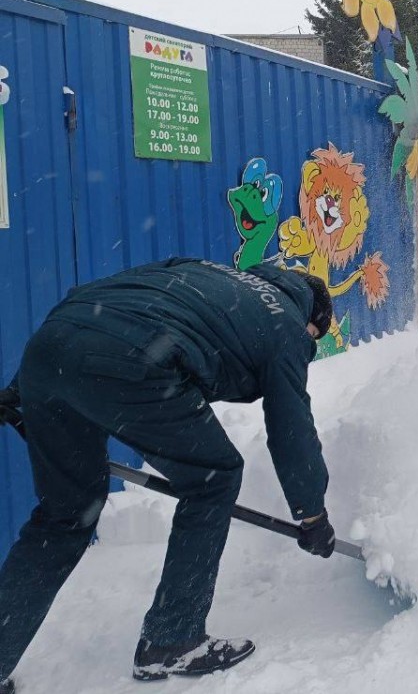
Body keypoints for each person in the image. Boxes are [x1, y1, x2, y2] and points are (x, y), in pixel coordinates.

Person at [0, 258, 339, 689]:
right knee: (213, 477)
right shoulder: (286, 326)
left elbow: (95, 304)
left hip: (48, 351)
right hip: (131, 362)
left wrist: (19, 390)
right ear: (311, 322)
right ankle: (171, 639)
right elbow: (292, 427)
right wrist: (312, 513)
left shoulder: (205, 271)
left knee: (64, 517)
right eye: (314, 339)